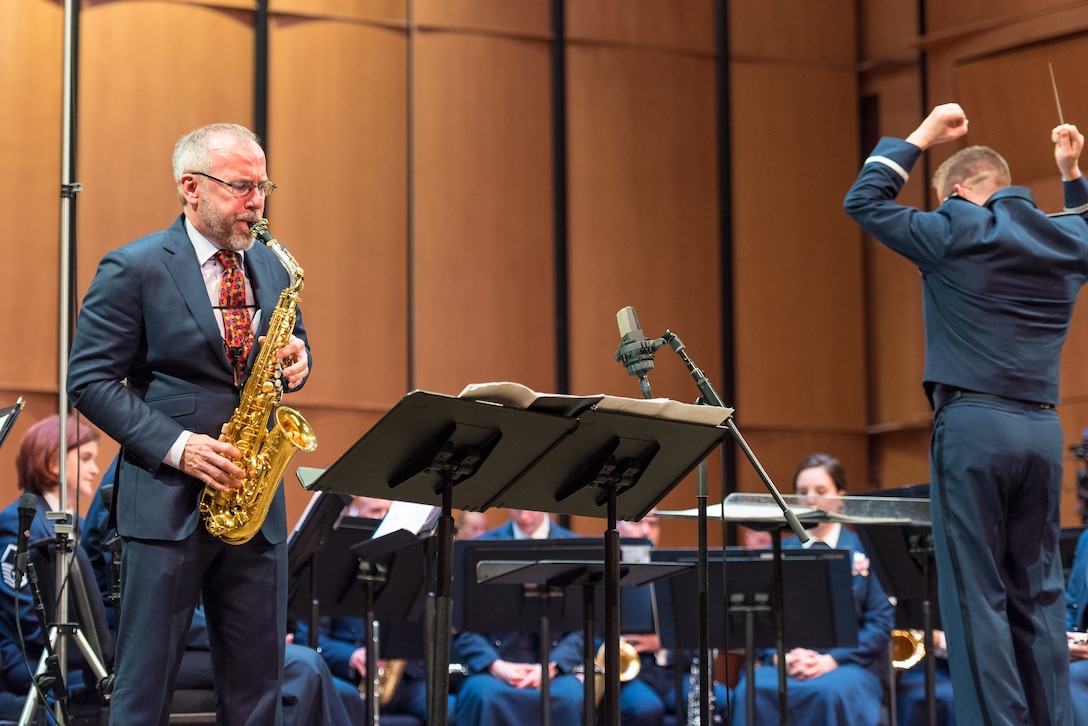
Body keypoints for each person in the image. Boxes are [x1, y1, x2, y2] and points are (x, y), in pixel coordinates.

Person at [844, 103, 1088, 725]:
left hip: (975, 426)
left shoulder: (955, 232)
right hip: (1041, 430)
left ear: (957, 193)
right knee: (1038, 591)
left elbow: (864, 201)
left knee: (976, 595)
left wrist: (921, 134)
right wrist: (1072, 174)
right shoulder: (1064, 239)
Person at [66, 122, 312, 726]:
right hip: (167, 505)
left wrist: (301, 360)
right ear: (191, 187)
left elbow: (293, 340)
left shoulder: (273, 268)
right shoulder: (135, 266)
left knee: (258, 694)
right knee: (144, 692)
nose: (257, 203)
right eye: (241, 187)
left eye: (263, 187)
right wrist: (179, 447)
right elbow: (89, 382)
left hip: (253, 507)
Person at [80, 461, 363, 726]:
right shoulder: (139, 485)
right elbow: (148, 603)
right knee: (306, 668)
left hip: (186, 639)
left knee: (323, 678)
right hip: (144, 647)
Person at [731, 453, 894, 725]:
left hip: (849, 666)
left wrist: (830, 660)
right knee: (750, 688)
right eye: (802, 492)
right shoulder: (778, 552)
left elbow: (879, 624)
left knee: (828, 692)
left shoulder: (867, 551)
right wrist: (779, 656)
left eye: (821, 491)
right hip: (786, 662)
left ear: (840, 496)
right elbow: (759, 619)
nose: (810, 499)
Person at [0, 415, 101, 720]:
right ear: (53, 462)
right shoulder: (18, 523)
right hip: (30, 659)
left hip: (69, 651)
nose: (95, 469)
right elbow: (25, 615)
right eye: (85, 458)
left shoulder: (80, 525)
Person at [451, 509, 585, 725]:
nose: (524, 517)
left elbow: (586, 626)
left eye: (531, 509)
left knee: (569, 698)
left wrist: (553, 665)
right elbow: (461, 625)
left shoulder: (574, 546)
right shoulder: (479, 546)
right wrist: (496, 665)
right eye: (518, 509)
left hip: (556, 670)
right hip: (493, 670)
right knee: (483, 696)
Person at [615, 510, 729, 725]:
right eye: (637, 522)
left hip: (672, 673)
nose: (647, 531)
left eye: (654, 524)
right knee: (646, 708)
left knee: (727, 700)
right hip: (627, 679)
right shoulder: (603, 574)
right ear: (616, 527)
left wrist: (662, 644)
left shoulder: (676, 573)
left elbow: (697, 644)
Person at [1063, 526, 1088, 725]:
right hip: (1082, 641)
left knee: (1072, 676)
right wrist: (1064, 637)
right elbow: (1071, 604)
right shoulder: (1086, 539)